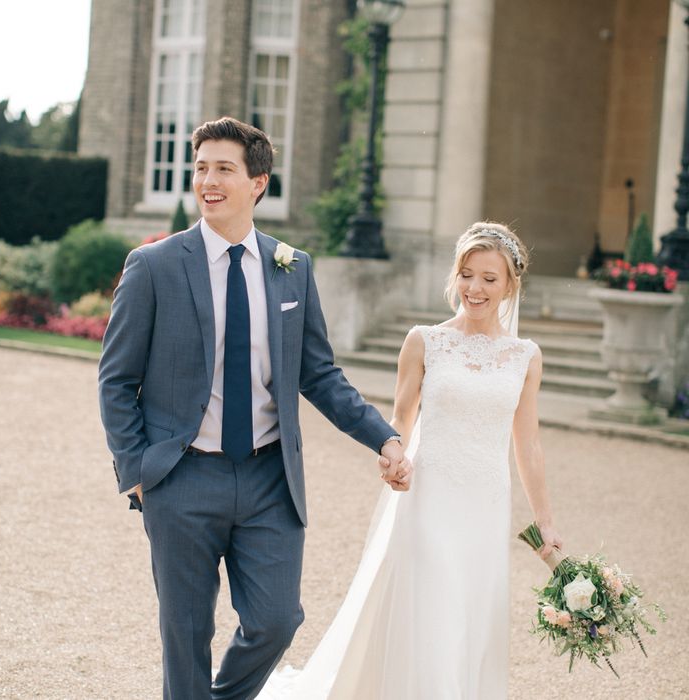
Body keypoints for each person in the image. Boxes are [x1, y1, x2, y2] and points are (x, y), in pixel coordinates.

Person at [97, 116, 411, 700]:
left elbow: (319, 374)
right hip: (182, 476)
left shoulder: (292, 266)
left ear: (258, 182)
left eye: (224, 169)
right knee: (185, 634)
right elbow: (116, 380)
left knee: (276, 620)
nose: (208, 181)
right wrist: (138, 472)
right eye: (200, 169)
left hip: (270, 478)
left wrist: (385, 438)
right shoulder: (155, 267)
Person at [261, 222, 563, 699]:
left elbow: (527, 445)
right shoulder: (424, 341)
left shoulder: (525, 356)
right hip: (429, 496)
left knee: (471, 613)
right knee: (433, 607)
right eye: (467, 274)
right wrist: (393, 460)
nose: (475, 288)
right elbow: (400, 423)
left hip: (486, 503)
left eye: (489, 278)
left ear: (510, 285)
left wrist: (545, 523)